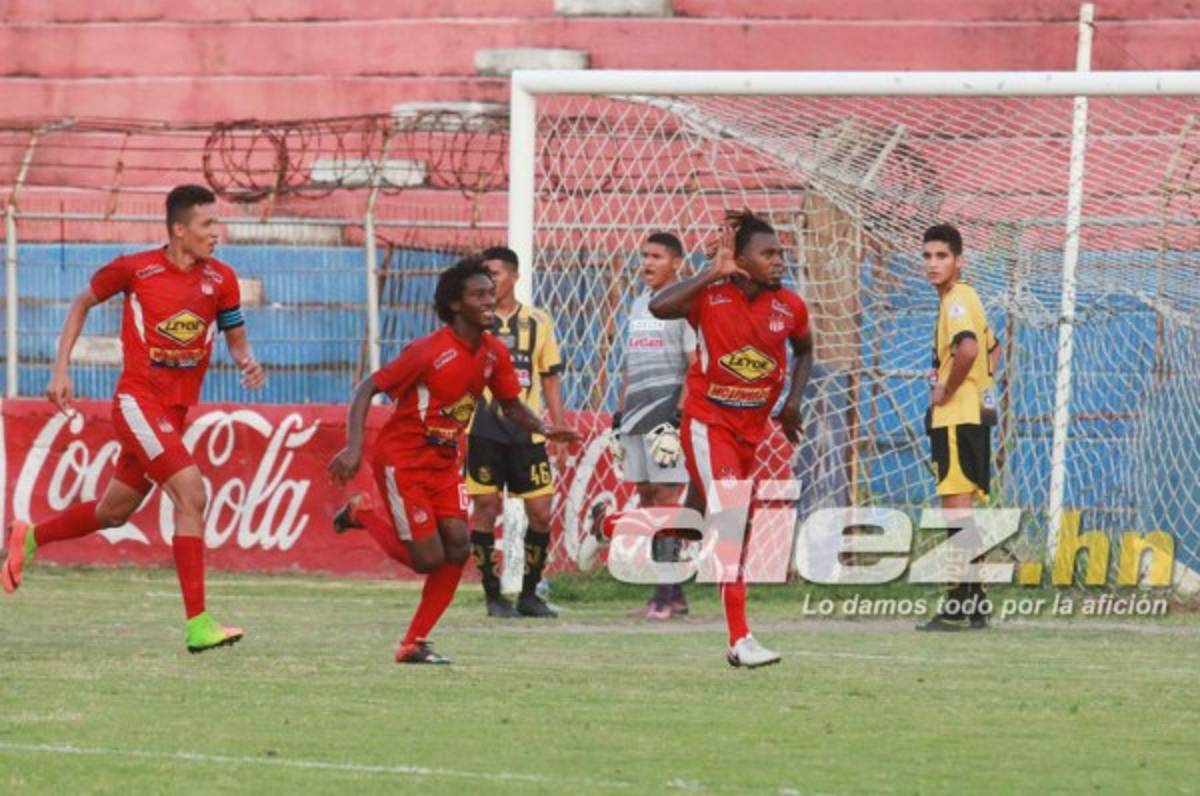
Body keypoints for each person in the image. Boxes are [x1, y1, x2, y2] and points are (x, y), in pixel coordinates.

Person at [1, 184, 265, 653]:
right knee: (192, 493)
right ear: (179, 230)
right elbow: (81, 302)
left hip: (175, 413)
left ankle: (30, 536)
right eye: (207, 225)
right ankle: (198, 623)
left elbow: (235, 337)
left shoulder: (221, 279)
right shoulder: (135, 269)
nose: (216, 233)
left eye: (216, 224)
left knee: (113, 511)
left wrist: (247, 361)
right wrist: (60, 369)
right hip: (138, 403)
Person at [328, 256, 577, 664]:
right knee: (428, 559)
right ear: (456, 305)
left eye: (489, 292)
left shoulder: (494, 353)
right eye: (478, 294)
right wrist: (354, 447)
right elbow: (367, 389)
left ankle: (413, 643)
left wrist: (545, 427)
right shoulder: (428, 352)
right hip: (404, 462)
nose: (488, 300)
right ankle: (362, 514)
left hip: (445, 464)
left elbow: (512, 405)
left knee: (458, 547)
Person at [650, 211, 813, 668]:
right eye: (769, 254)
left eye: (781, 252)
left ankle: (610, 527)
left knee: (694, 524)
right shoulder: (711, 296)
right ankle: (740, 639)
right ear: (740, 261)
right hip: (708, 423)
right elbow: (658, 307)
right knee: (732, 522)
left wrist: (793, 401)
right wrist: (710, 273)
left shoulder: (790, 306)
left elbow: (805, 349)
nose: (780, 261)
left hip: (751, 432)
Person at [579, 232, 697, 620]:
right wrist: (619, 414)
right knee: (647, 498)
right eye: (644, 256)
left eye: (657, 256)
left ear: (676, 263)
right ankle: (671, 593)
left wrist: (677, 418)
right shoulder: (637, 305)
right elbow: (631, 365)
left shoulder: (686, 306)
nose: (647, 263)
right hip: (636, 414)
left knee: (665, 502)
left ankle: (664, 594)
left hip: (668, 416)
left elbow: (695, 366)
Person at [463, 247, 568, 619]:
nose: (490, 281)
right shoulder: (473, 323)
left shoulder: (539, 321)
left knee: (540, 512)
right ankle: (493, 595)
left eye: (495, 273)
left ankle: (528, 594)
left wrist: (556, 428)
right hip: (484, 430)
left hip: (529, 434)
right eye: (485, 274)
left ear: (514, 277)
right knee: (485, 509)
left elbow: (551, 378)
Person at [916, 224, 1001, 632]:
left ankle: (958, 602)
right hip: (973, 416)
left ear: (959, 260)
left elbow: (968, 348)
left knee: (956, 513)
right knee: (959, 511)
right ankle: (976, 603)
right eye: (928, 256)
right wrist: (975, 386)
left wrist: (947, 389)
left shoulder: (956, 301)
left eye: (942, 256)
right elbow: (992, 348)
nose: (933, 264)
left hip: (956, 418)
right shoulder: (965, 299)